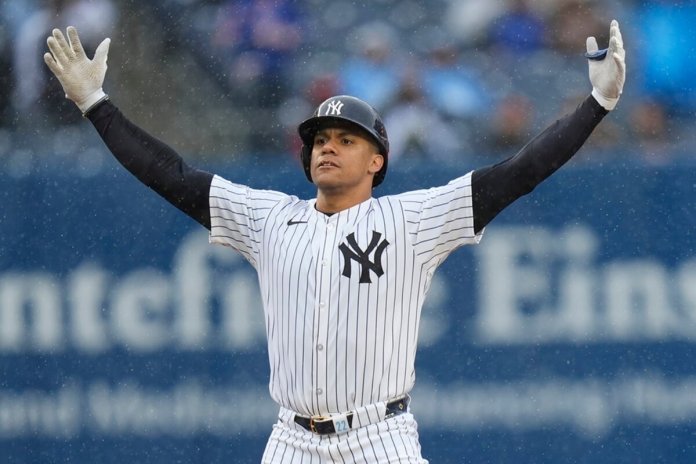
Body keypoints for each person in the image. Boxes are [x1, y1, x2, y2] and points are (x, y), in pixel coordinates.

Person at [43, 19, 625, 463]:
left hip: (381, 437)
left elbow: (517, 172)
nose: (327, 145)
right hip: (291, 440)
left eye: (346, 139)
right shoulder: (270, 219)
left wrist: (595, 106)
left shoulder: (413, 220)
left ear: (377, 159)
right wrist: (97, 106)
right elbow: (170, 175)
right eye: (320, 136)